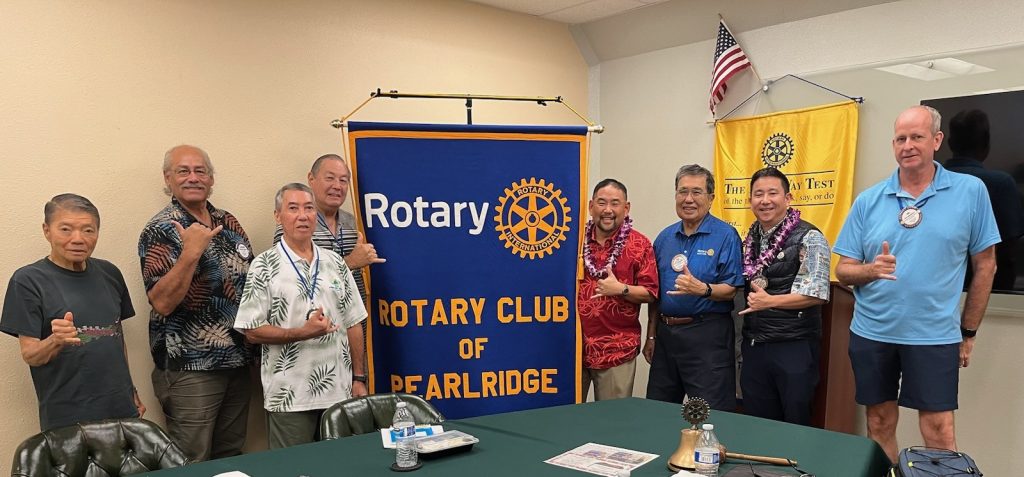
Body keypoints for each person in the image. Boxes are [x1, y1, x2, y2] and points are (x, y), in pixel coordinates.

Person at [834, 105, 999, 462]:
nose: (908, 145)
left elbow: (986, 265)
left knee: (938, 429)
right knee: (878, 422)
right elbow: (842, 271)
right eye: (900, 138)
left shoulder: (971, 191)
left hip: (934, 334)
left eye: (917, 137)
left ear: (937, 140)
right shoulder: (869, 200)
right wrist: (870, 270)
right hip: (873, 332)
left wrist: (968, 332)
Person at [138, 145, 254, 461]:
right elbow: (162, 302)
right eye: (183, 171)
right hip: (191, 367)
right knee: (191, 459)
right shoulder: (162, 228)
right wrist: (190, 253)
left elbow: (253, 281)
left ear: (211, 179)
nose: (193, 178)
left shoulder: (227, 221)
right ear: (168, 178)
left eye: (200, 171)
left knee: (231, 455)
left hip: (238, 361)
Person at [235, 183, 367, 448]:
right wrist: (302, 332)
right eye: (292, 208)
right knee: (293, 470)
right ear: (278, 216)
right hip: (290, 397)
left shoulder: (334, 262)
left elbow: (353, 322)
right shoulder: (264, 266)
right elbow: (251, 331)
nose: (302, 216)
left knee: (339, 466)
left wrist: (359, 378)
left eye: (308, 208)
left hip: (338, 393)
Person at [2, 194, 144, 431]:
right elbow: (30, 355)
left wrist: (131, 390)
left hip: (122, 409)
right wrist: (55, 340)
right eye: (66, 229)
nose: (78, 239)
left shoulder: (110, 273)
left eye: (88, 230)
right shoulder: (27, 280)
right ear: (47, 231)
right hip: (68, 417)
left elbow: (117, 337)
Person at [645, 164, 744, 410]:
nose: (688, 199)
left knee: (710, 414)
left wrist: (704, 289)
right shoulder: (664, 238)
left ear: (711, 198)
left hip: (707, 334)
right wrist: (651, 335)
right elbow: (655, 294)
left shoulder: (726, 235)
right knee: (658, 410)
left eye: (697, 192)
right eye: (682, 192)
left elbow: (732, 288)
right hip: (666, 336)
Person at [737, 168, 830, 425]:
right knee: (757, 425)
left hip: (793, 345)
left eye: (772, 193)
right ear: (750, 201)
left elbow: (817, 293)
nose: (765, 200)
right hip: (755, 346)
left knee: (794, 425)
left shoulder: (809, 237)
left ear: (787, 198)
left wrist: (769, 302)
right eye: (758, 194)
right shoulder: (750, 239)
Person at [578, 179, 658, 401]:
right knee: (566, 423)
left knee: (611, 425)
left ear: (626, 207)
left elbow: (651, 293)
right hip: (572, 349)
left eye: (615, 203)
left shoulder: (640, 245)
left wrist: (621, 289)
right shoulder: (572, 240)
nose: (607, 210)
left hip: (616, 348)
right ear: (591, 206)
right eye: (602, 203)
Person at [273, 154, 385, 301]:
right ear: (311, 179)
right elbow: (290, 278)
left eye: (343, 180)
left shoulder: (352, 222)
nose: (337, 186)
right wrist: (350, 262)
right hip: (314, 319)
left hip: (353, 317)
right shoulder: (296, 223)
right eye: (330, 178)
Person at [943, 109, 1023, 290]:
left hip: (940, 287)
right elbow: (1012, 243)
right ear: (986, 143)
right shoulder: (1001, 183)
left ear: (948, 143)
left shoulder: (927, 181)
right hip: (994, 288)